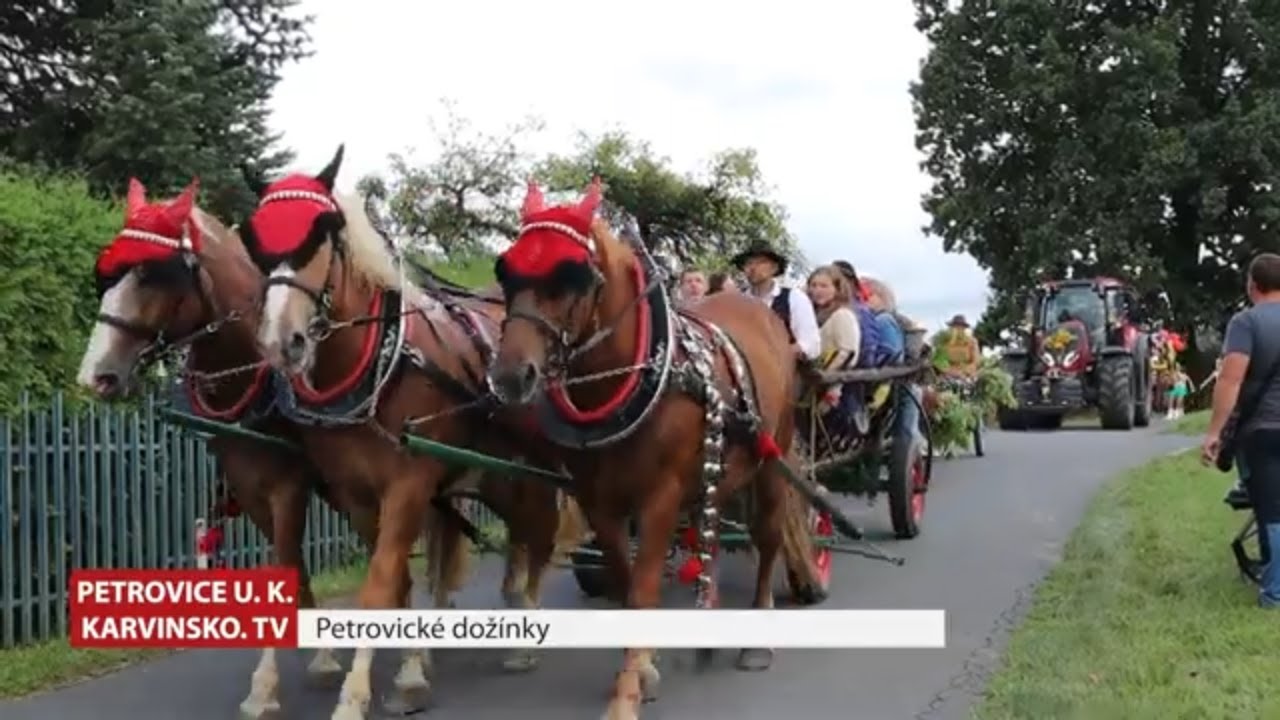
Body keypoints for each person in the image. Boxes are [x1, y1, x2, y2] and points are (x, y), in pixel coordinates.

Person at [1202, 252, 1280, 609]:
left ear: (1253, 285)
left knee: (1271, 511)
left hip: (1261, 431)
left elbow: (1231, 380)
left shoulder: (1246, 323)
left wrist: (1214, 433)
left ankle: (1275, 593)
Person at [731, 240, 821, 362]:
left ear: (774, 268)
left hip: (787, 373)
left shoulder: (794, 298)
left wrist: (777, 354)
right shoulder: (736, 302)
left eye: (761, 262)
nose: (753, 268)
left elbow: (811, 345)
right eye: (748, 263)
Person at [805, 266, 867, 433]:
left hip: (830, 388)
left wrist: (823, 379)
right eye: (814, 285)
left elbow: (847, 355)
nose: (817, 290)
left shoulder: (843, 315)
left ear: (837, 289)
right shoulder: (816, 315)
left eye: (824, 286)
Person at [939, 314, 980, 379]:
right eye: (954, 326)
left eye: (959, 326)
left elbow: (976, 362)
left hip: (967, 376)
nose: (957, 329)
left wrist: (963, 372)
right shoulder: (945, 342)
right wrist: (949, 371)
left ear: (964, 328)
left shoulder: (972, 341)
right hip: (948, 376)